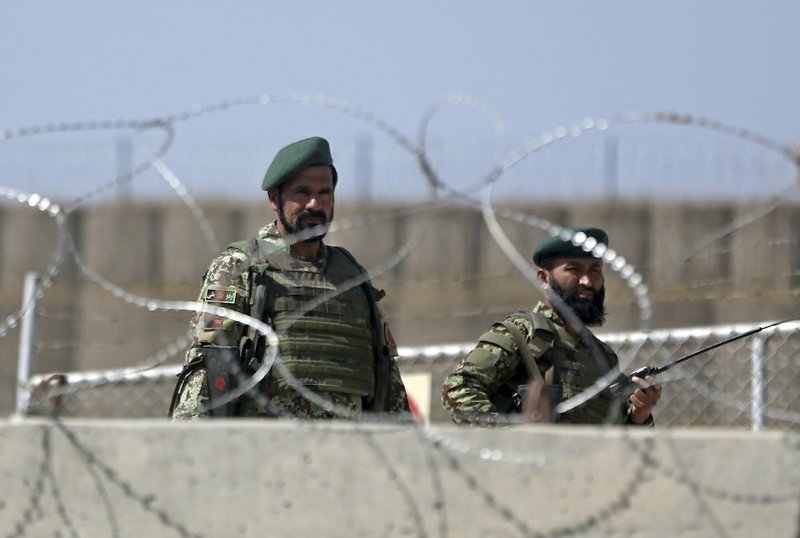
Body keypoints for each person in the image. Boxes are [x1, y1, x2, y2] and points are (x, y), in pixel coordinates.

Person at [170, 136, 410, 420]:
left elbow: (385, 376)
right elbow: (208, 369)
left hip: (349, 451)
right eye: (302, 192)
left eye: (325, 193)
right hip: (269, 450)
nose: (314, 203)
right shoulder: (242, 267)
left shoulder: (351, 275)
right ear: (275, 198)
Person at [442, 227, 662, 426]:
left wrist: (640, 415)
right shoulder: (522, 333)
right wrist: (512, 440)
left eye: (594, 270)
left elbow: (616, 436)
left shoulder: (603, 356)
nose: (586, 281)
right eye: (574, 270)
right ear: (544, 278)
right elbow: (459, 387)